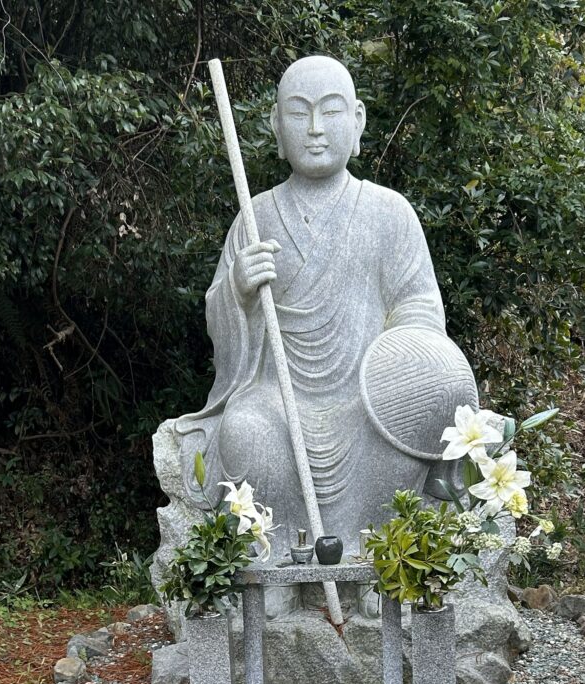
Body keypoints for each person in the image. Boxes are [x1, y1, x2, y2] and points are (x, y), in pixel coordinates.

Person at [177, 55, 477, 563]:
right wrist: (239, 292)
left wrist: (394, 373)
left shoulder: (390, 214)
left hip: (365, 398)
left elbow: (421, 313)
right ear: (275, 125)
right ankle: (273, 555)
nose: (315, 129)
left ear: (357, 121)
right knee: (243, 431)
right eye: (298, 113)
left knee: (401, 426)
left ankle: (380, 556)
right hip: (279, 397)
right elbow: (221, 322)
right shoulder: (255, 218)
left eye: (330, 112)